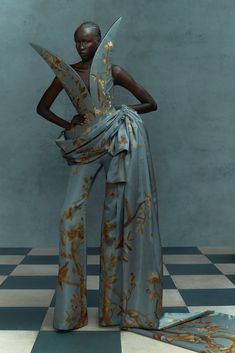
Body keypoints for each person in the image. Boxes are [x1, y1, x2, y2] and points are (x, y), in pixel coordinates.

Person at [32, 17, 235, 352]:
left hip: (115, 144)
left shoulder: (113, 71)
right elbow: (42, 108)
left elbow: (149, 102)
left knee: (118, 220)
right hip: (84, 147)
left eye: (86, 41)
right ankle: (69, 314)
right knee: (69, 216)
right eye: (77, 42)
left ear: (100, 41)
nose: (81, 47)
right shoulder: (67, 72)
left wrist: (121, 114)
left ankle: (117, 310)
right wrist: (68, 121)